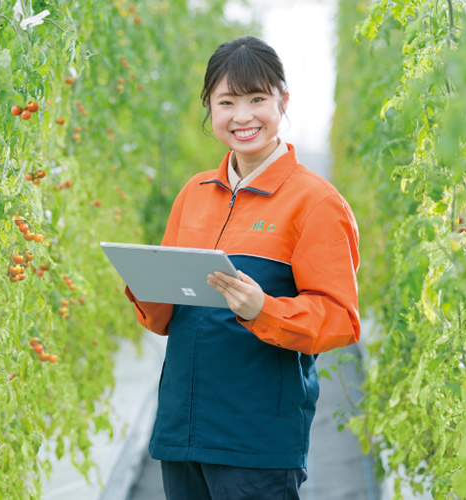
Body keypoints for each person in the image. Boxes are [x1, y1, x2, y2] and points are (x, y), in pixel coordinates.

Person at [124, 35, 360, 500]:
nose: (243, 116)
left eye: (257, 99)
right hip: (182, 429)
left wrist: (263, 310)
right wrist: (145, 285)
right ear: (210, 108)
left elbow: (341, 319)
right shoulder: (194, 193)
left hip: (256, 440)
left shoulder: (314, 202)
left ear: (283, 100)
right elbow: (166, 318)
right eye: (227, 101)